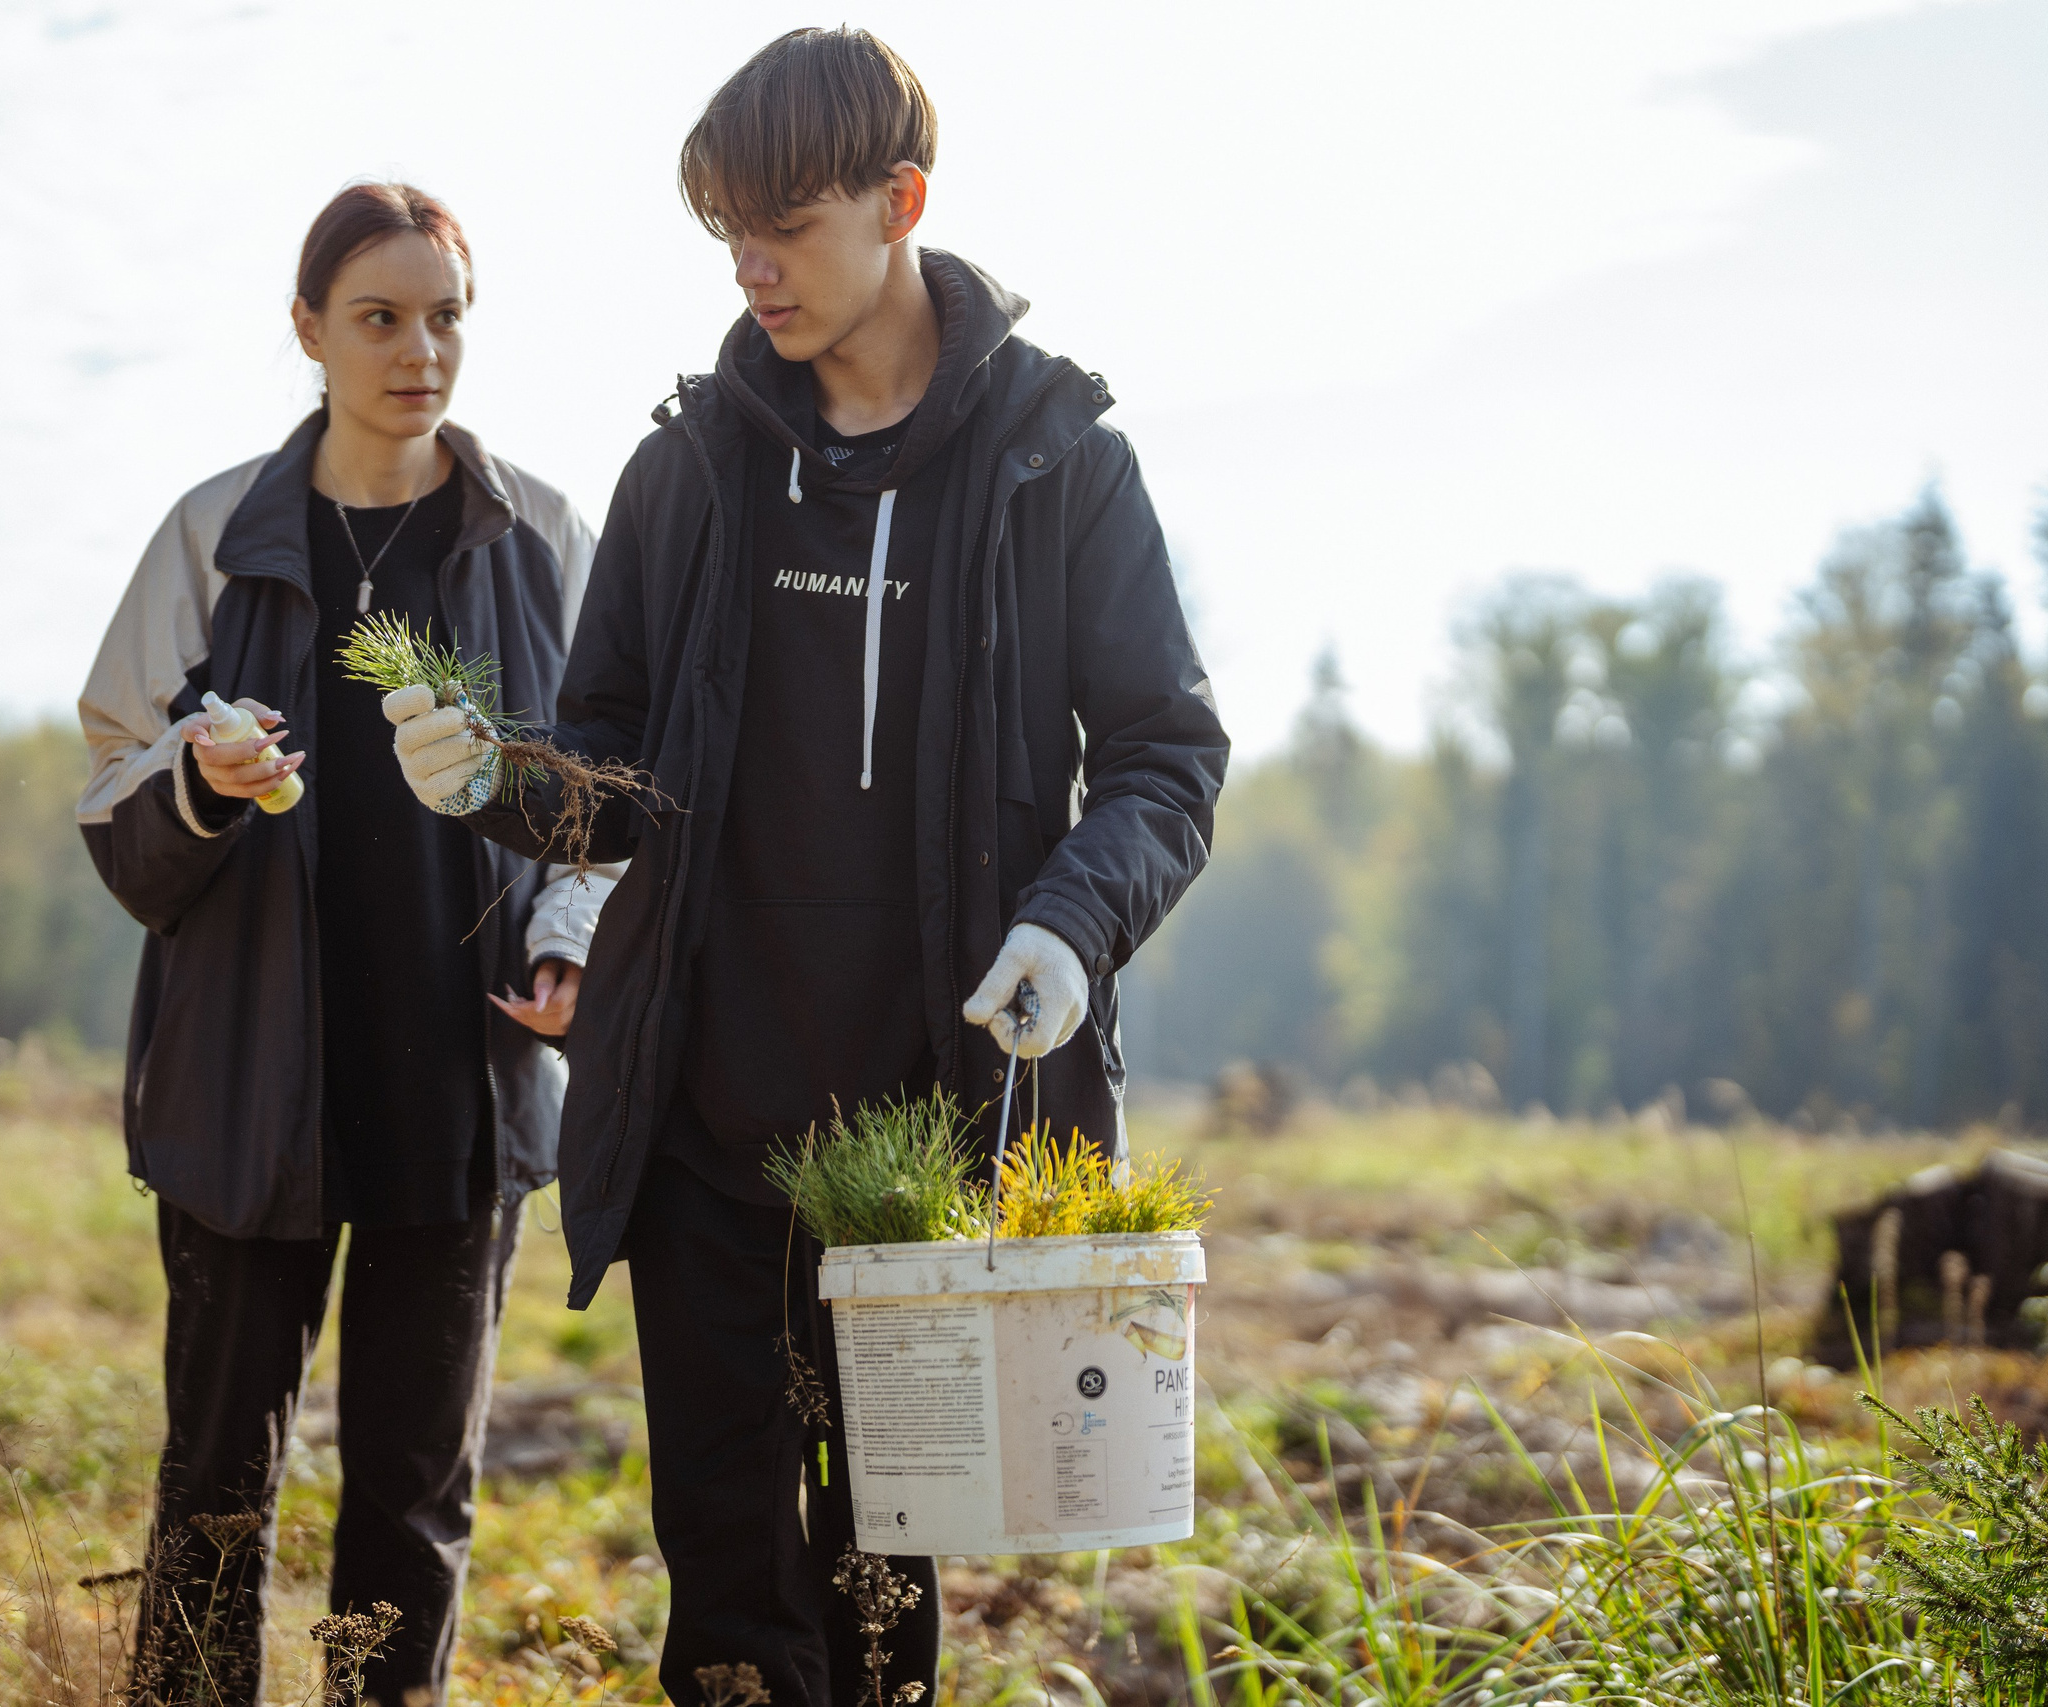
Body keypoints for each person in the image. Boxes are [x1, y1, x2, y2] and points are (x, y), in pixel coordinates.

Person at [387, 29, 1229, 1703]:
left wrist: (1070, 927)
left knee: (875, 1587)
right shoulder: (692, 468)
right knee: (728, 1603)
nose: (750, 266)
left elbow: (1164, 754)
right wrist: (493, 776)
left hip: (921, 1144)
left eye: (784, 224)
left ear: (901, 200)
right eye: (726, 233)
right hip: (703, 1124)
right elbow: (611, 777)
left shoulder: (1060, 464)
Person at [75, 182, 607, 1707]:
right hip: (246, 1081)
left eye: (446, 315)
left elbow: (604, 797)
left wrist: (567, 939)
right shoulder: (215, 533)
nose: (418, 348)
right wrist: (197, 777)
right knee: (218, 1489)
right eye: (379, 316)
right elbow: (114, 771)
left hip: (457, 1080)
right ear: (308, 330)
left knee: (412, 1497)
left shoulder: (543, 534)